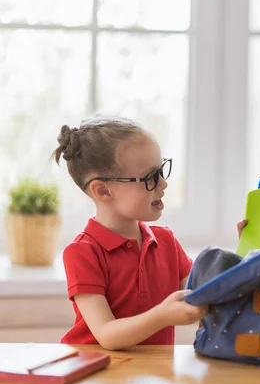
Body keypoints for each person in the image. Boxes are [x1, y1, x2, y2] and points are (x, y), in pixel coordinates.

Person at [52, 114, 207, 350]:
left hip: (149, 374)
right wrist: (162, 316)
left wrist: (247, 244)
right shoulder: (82, 253)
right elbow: (107, 335)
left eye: (162, 170)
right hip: (97, 376)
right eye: (151, 177)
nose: (163, 184)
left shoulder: (166, 241)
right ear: (102, 191)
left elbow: (204, 298)